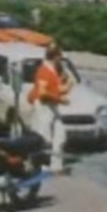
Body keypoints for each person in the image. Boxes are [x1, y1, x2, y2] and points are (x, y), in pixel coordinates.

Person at [28, 41, 72, 172]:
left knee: (60, 135)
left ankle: (56, 165)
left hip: (52, 107)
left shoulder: (52, 71)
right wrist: (61, 100)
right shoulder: (44, 71)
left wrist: (69, 85)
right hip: (43, 107)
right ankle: (37, 165)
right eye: (60, 57)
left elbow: (56, 89)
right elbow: (42, 93)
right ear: (56, 57)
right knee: (43, 138)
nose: (61, 61)